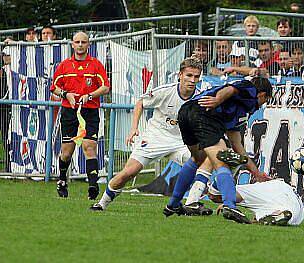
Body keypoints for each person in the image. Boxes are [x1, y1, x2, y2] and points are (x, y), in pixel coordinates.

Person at [90, 58, 201, 211]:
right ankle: (102, 203)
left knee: (201, 164)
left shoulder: (200, 98)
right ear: (180, 75)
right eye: (189, 75)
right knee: (129, 172)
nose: (192, 80)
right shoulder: (165, 91)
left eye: (196, 77)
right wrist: (134, 128)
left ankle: (192, 205)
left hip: (181, 142)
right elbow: (140, 103)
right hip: (155, 138)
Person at [164, 77, 273, 223]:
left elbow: (237, 144)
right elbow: (230, 89)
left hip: (185, 113)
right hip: (204, 114)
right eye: (265, 100)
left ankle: (173, 204)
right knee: (222, 161)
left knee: (198, 158)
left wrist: (256, 173)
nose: (261, 105)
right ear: (262, 94)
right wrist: (217, 100)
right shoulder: (250, 88)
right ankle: (229, 205)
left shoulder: (237, 111)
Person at [50, 32, 110, 199]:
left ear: (88, 44)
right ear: (72, 44)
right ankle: (62, 180)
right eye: (77, 42)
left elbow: (105, 87)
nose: (80, 45)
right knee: (67, 151)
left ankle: (93, 186)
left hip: (89, 111)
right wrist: (65, 94)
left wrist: (90, 95)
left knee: (89, 146)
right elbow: (54, 87)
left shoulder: (96, 65)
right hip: (70, 111)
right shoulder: (64, 65)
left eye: (84, 42)